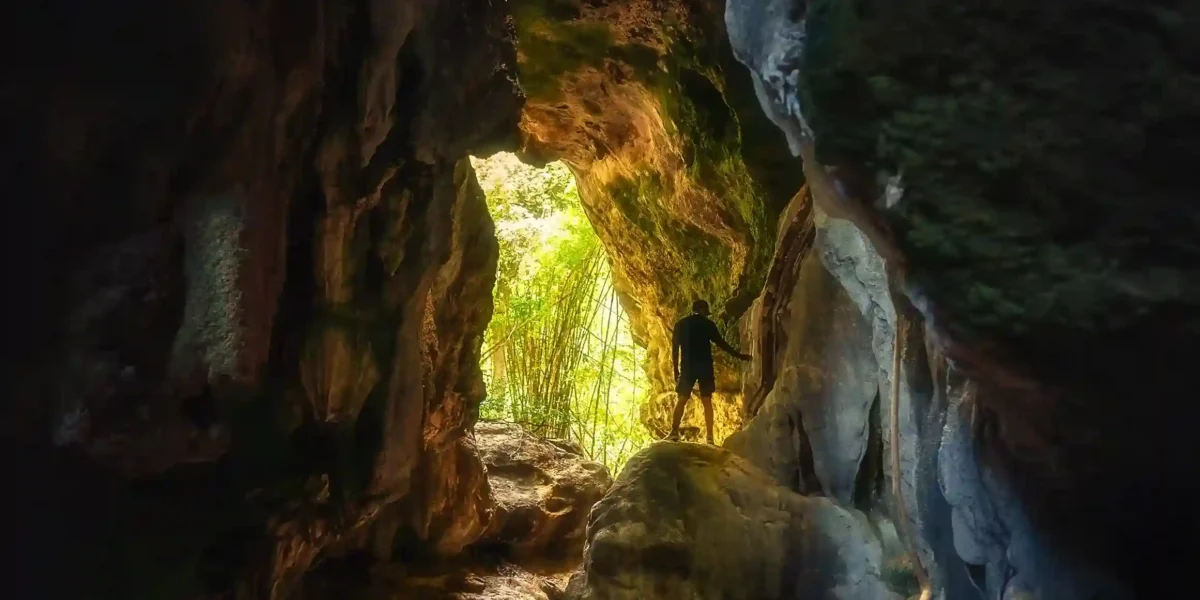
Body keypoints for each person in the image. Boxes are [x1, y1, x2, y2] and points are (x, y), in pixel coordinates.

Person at [667, 299, 752, 444]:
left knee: (682, 399)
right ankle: (710, 437)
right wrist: (740, 356)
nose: (707, 314)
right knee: (707, 400)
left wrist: (675, 369)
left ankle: (674, 432)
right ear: (702, 310)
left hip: (688, 367)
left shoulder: (681, 324)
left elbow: (675, 349)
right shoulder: (708, 325)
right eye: (706, 311)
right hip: (705, 367)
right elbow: (722, 344)